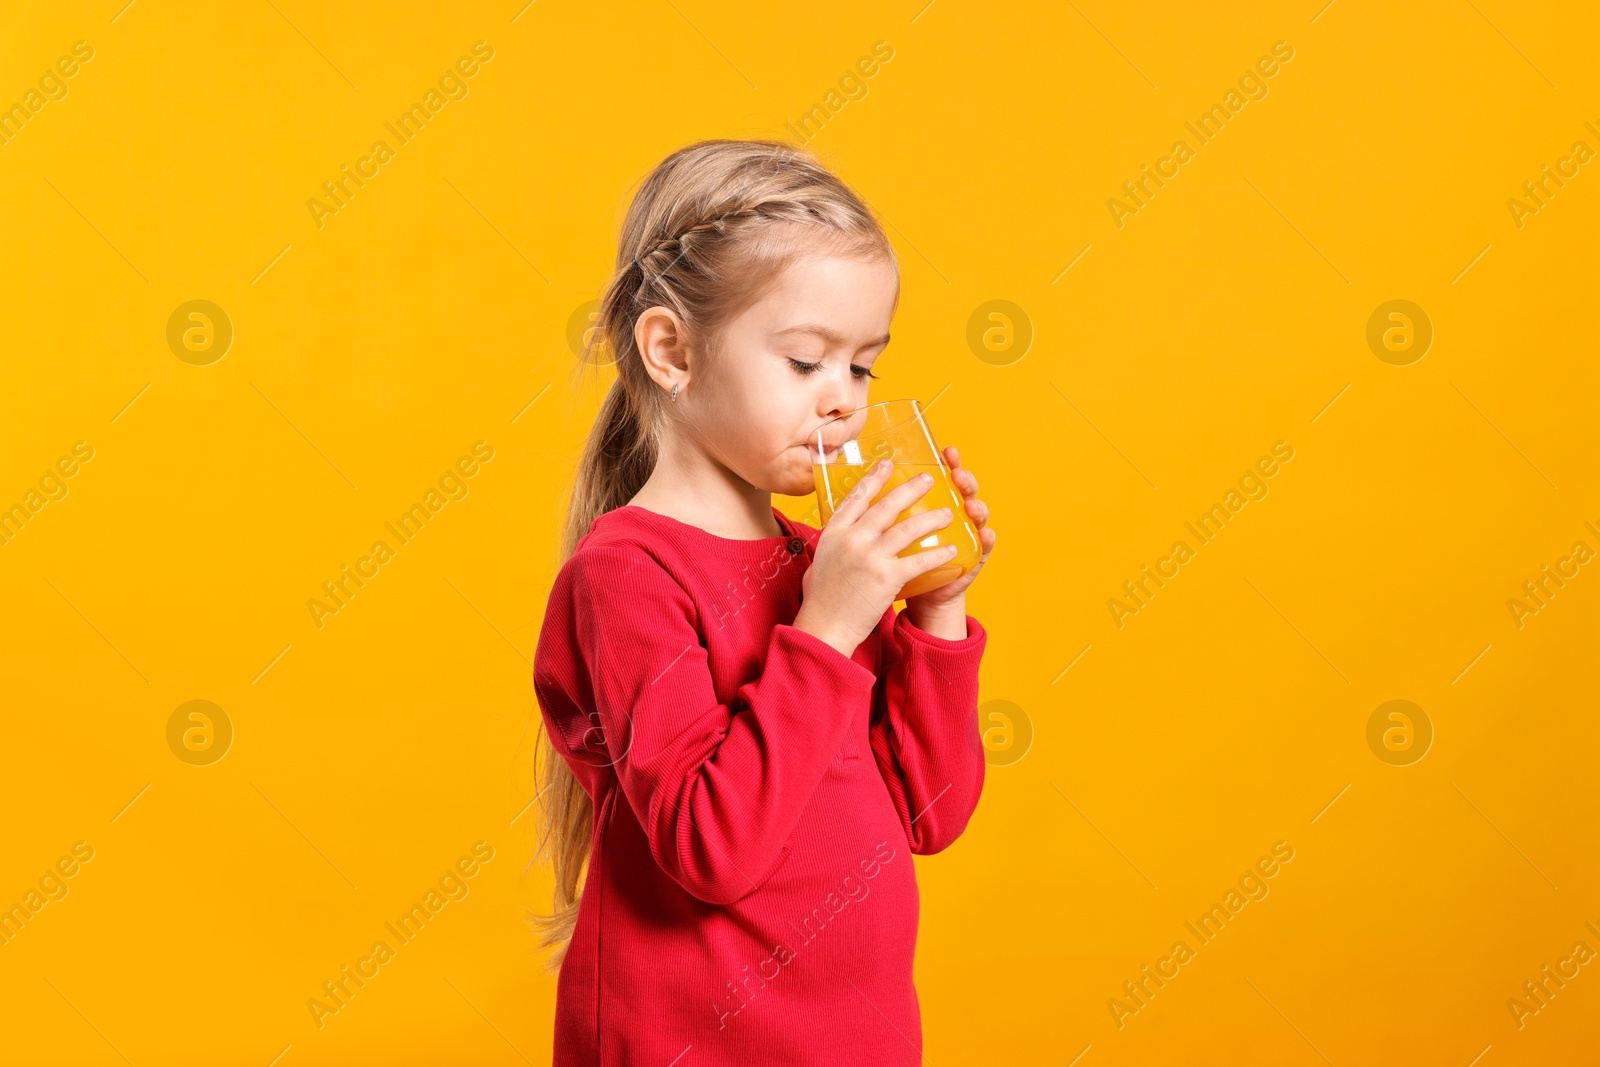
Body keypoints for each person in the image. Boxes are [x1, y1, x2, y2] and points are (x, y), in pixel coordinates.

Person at [530, 138, 998, 1065]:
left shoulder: (820, 564)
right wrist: (827, 626)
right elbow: (710, 847)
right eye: (805, 362)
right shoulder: (627, 571)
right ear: (671, 350)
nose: (844, 402)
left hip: (851, 1037)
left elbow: (931, 814)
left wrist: (934, 612)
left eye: (861, 368)